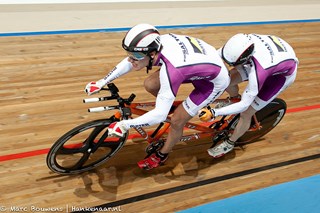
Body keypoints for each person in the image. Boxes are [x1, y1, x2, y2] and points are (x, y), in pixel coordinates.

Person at [85, 23, 230, 170]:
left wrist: (125, 125)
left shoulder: (172, 70)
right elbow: (132, 60)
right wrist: (102, 81)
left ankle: (162, 154)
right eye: (130, 54)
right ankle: (168, 105)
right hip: (195, 64)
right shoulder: (156, 43)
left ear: (152, 53)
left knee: (177, 121)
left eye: (135, 56)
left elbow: (160, 116)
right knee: (150, 84)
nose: (131, 59)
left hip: (213, 82)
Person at [200, 33, 298, 158]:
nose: (231, 66)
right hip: (267, 57)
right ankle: (233, 98)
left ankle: (230, 142)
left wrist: (215, 113)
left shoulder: (259, 71)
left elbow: (244, 105)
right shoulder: (237, 45)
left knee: (246, 112)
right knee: (226, 80)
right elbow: (215, 60)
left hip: (279, 76)